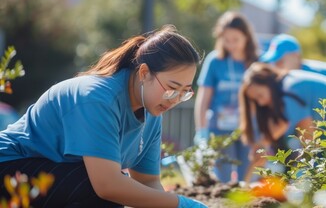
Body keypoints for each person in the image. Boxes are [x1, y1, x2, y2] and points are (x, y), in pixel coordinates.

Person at [0, 25, 206, 207]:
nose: (175, 99)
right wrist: (180, 203)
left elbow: (147, 182)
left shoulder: (152, 112)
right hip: (9, 166)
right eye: (172, 88)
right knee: (106, 193)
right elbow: (107, 185)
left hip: (53, 177)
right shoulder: (98, 98)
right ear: (144, 73)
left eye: (185, 92)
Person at [239, 63, 326, 163]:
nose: (261, 103)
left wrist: (305, 173)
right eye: (256, 101)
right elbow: (283, 124)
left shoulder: (290, 91)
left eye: (260, 95)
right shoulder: (288, 82)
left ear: (268, 82)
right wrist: (262, 144)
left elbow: (309, 139)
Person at [193, 11, 259, 182]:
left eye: (236, 39)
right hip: (219, 128)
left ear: (247, 37)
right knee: (222, 179)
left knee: (247, 179)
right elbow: (203, 99)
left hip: (249, 129)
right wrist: (202, 130)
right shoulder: (215, 61)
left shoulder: (258, 61)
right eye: (226, 40)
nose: (231, 45)